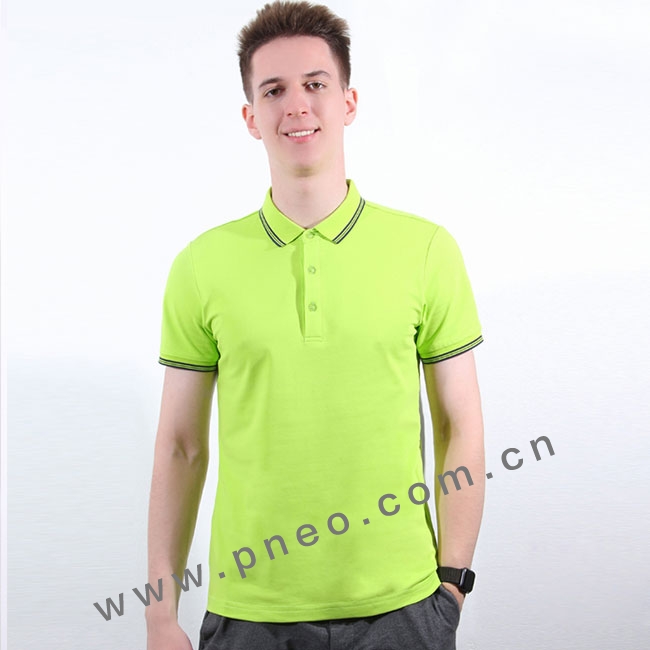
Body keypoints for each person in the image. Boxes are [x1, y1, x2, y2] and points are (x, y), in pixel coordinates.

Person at [145, 2, 485, 649]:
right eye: (274, 90)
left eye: (315, 84)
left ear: (348, 102)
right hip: (250, 615)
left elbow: (459, 425)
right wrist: (160, 614)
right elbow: (181, 446)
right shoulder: (201, 265)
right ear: (251, 116)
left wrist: (452, 584)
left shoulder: (426, 250)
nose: (296, 105)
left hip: (406, 610)